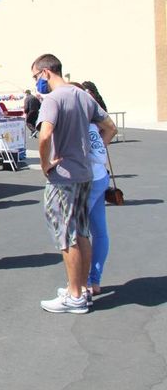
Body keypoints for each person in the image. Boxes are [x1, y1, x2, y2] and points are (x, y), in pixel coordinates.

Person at [32, 54, 116, 314]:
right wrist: (90, 153)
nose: (36, 82)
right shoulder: (83, 96)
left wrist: (45, 164)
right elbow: (109, 127)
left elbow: (44, 135)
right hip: (84, 175)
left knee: (66, 236)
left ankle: (75, 295)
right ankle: (79, 287)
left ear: (46, 72)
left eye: (36, 77)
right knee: (81, 232)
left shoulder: (53, 99)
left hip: (64, 178)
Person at [73, 82, 111, 297]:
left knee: (79, 232)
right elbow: (112, 129)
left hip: (88, 180)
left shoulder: (83, 123)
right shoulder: (94, 118)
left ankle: (85, 282)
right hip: (100, 176)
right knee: (99, 232)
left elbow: (95, 151)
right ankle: (94, 281)